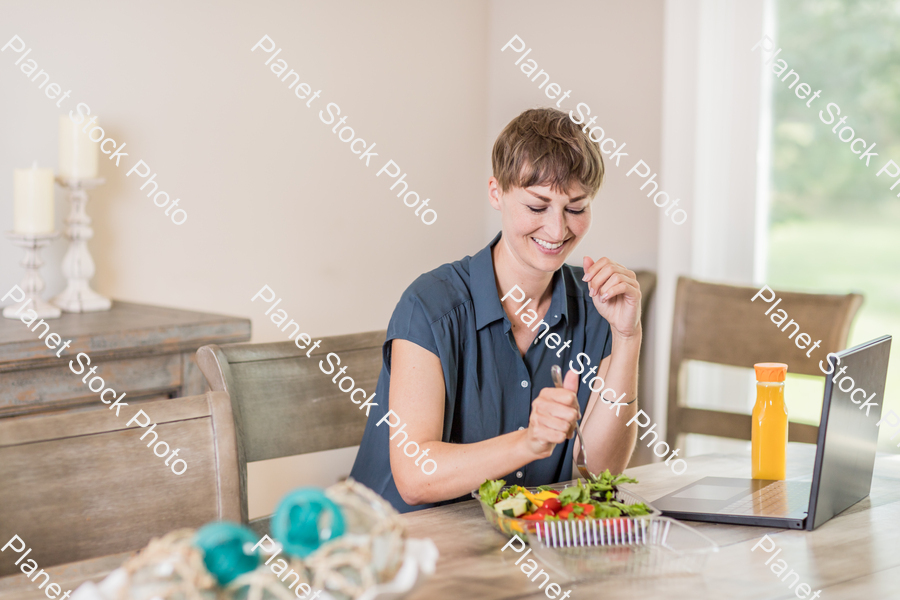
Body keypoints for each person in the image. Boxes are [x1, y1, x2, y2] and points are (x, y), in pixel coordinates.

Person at [350, 107, 642, 512]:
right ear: (496, 193)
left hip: (509, 554)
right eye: (537, 207)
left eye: (576, 208)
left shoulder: (597, 310)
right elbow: (415, 478)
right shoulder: (429, 306)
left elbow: (598, 475)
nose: (558, 231)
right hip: (398, 552)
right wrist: (529, 442)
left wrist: (628, 338)